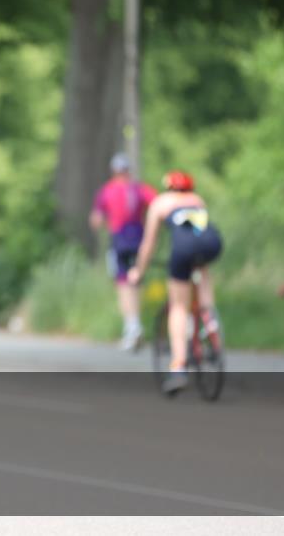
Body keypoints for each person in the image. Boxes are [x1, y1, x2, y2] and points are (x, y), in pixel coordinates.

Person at [127, 171, 223, 395]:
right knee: (201, 268)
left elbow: (148, 244)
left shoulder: (160, 203)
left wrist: (138, 271)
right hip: (212, 244)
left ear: (168, 187)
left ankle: (179, 366)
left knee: (178, 306)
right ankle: (210, 322)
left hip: (183, 249)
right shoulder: (197, 200)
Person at [89, 152, 157, 351]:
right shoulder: (140, 189)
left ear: (113, 171)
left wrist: (104, 221)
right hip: (139, 239)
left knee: (122, 283)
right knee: (136, 281)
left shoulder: (107, 191)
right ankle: (135, 324)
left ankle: (132, 325)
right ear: (128, 170)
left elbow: (96, 220)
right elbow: (156, 203)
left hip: (119, 241)